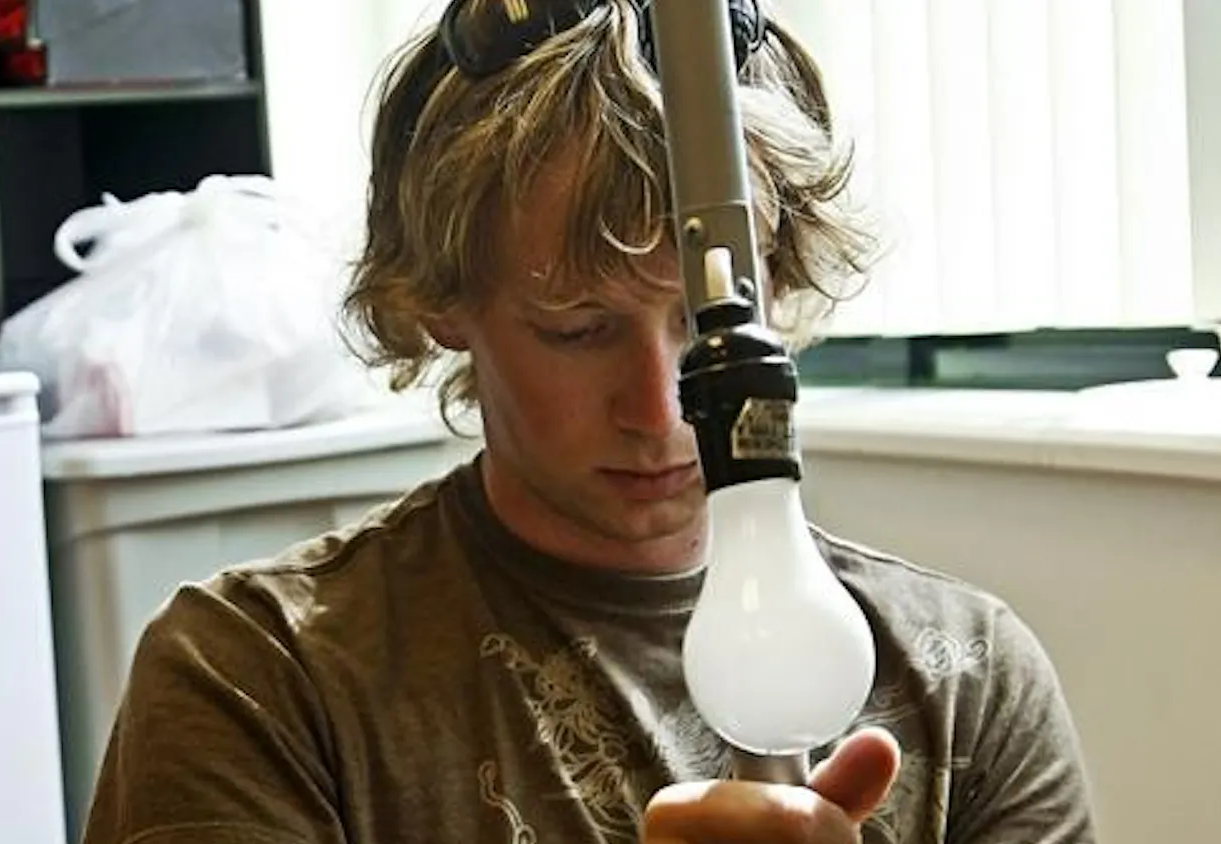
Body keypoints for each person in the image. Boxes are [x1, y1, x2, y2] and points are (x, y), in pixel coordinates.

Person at [81, 2, 1099, 842]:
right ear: (442, 304)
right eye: (577, 329)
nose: (661, 409)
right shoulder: (263, 677)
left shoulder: (966, 679)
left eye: (705, 322)